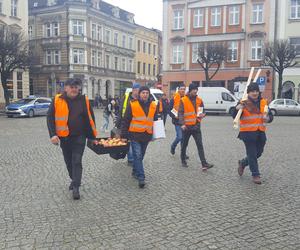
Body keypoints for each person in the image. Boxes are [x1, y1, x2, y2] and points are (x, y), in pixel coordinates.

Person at [47, 78, 98, 200]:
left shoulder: (84, 100)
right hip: (64, 138)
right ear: (66, 88)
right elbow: (50, 118)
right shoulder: (57, 100)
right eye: (72, 87)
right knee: (68, 162)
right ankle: (73, 179)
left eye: (76, 87)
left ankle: (76, 187)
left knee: (77, 161)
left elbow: (90, 118)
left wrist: (92, 137)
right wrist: (53, 134)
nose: (74, 89)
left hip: (79, 137)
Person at [232, 82, 273, 184]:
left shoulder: (264, 102)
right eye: (252, 91)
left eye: (256, 91)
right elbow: (234, 115)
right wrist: (236, 109)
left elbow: (270, 116)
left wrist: (267, 118)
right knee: (252, 153)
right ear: (248, 92)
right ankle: (255, 174)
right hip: (247, 133)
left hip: (260, 132)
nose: (255, 93)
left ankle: (242, 163)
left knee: (258, 153)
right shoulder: (243, 102)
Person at [121, 86, 159, 188]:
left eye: (147, 93)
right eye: (143, 93)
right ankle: (141, 177)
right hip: (135, 135)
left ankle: (134, 171)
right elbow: (126, 120)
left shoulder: (153, 105)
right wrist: (124, 135)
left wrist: (157, 133)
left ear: (149, 94)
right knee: (137, 155)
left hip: (147, 135)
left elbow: (155, 120)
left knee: (141, 155)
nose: (145, 94)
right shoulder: (132, 104)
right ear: (139, 94)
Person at [178, 82, 214, 170]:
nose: (195, 91)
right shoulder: (183, 100)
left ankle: (204, 163)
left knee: (200, 145)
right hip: (186, 127)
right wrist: (182, 124)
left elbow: (202, 111)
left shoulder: (199, 100)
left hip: (196, 126)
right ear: (190, 91)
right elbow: (180, 113)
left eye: (196, 89)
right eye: (193, 90)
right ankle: (183, 160)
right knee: (184, 145)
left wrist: (203, 114)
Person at [116, 82, 140, 166]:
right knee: (128, 141)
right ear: (133, 90)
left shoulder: (140, 99)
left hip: (136, 123)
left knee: (133, 141)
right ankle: (131, 159)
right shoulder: (126, 98)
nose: (138, 92)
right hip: (125, 122)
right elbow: (120, 110)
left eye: (139, 90)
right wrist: (118, 123)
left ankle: (133, 158)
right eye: (137, 90)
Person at [169, 84, 186, 155]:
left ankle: (183, 153)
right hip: (177, 121)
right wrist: (174, 115)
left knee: (184, 139)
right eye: (181, 89)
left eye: (184, 89)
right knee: (180, 137)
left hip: (185, 121)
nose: (182, 90)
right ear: (178, 89)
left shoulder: (186, 98)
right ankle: (173, 146)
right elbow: (169, 110)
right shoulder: (174, 98)